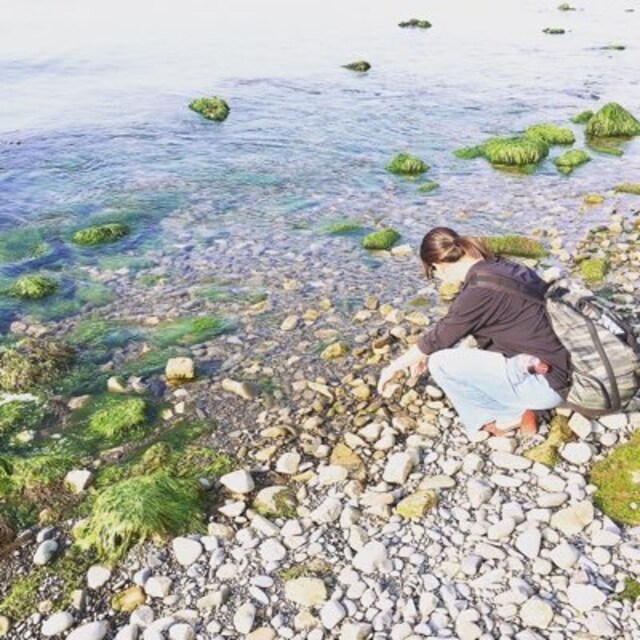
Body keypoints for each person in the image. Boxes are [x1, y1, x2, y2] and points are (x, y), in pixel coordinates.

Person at [376, 227, 570, 436]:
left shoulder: (479, 291)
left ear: (438, 266)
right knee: (462, 350)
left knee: (440, 363)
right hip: (568, 364)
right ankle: (521, 397)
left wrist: (393, 367)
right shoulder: (503, 266)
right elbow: (453, 329)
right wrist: (423, 353)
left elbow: (437, 338)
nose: (437, 277)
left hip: (550, 386)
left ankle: (507, 415)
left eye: (432, 273)